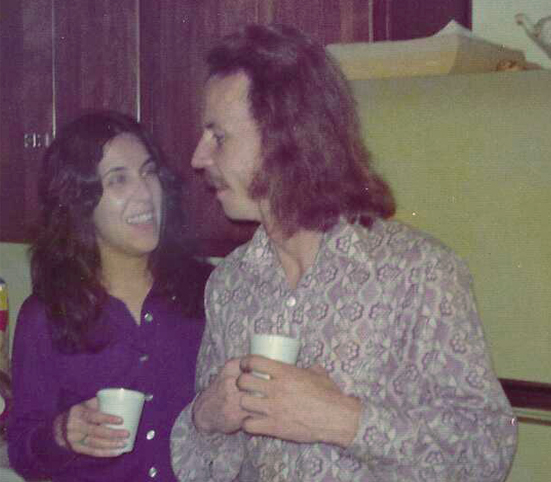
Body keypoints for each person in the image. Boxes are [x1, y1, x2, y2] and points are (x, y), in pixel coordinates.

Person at [170, 24, 518, 482]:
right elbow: (201, 467)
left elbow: (487, 451)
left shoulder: (418, 273)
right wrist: (206, 418)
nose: (198, 158)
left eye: (219, 136)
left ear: (285, 139)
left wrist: (340, 419)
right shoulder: (229, 284)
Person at [8, 111, 210, 481]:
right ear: (80, 202)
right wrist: (60, 434)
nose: (145, 193)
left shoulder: (207, 293)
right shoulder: (46, 315)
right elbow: (22, 450)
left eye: (149, 172)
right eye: (118, 179)